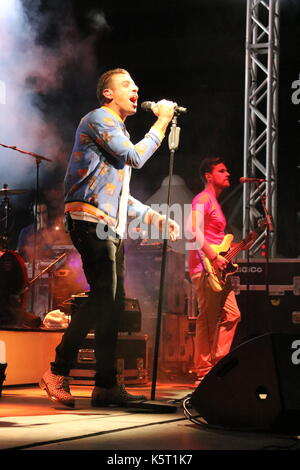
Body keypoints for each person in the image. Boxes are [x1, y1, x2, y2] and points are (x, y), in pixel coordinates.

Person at [40, 68, 179, 408]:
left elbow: (119, 196)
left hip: (109, 225)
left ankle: (105, 386)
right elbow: (135, 157)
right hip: (88, 220)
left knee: (112, 305)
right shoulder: (99, 120)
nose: (136, 88)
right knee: (105, 299)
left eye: (136, 84)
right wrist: (161, 122)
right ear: (107, 94)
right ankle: (57, 371)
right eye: (127, 84)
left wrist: (153, 216)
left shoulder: (116, 131)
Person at [188, 157, 241, 384]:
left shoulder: (215, 203)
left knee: (232, 314)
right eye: (222, 170)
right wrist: (213, 257)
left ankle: (218, 364)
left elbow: (220, 241)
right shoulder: (202, 199)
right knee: (208, 320)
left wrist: (240, 245)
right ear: (209, 176)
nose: (227, 173)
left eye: (227, 170)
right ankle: (203, 372)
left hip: (218, 269)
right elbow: (192, 229)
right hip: (205, 267)